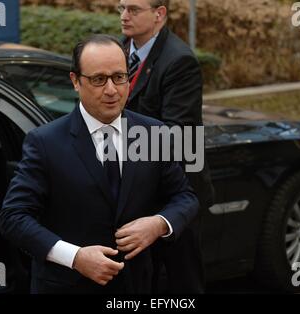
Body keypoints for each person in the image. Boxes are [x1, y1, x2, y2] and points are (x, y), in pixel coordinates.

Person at [0, 34, 199, 294]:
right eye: (98, 79)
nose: (111, 90)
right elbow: (13, 217)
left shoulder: (153, 133)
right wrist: (75, 257)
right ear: (75, 82)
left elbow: (185, 196)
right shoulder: (44, 142)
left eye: (119, 77)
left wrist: (158, 223)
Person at [119, 0, 215, 293]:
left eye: (133, 9)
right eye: (121, 8)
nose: (124, 16)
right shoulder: (118, 50)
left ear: (159, 14)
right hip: (137, 192)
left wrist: (112, 141)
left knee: (179, 282)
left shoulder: (179, 61)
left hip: (174, 195)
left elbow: (178, 137)